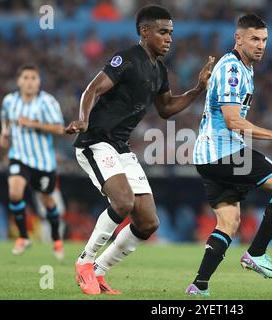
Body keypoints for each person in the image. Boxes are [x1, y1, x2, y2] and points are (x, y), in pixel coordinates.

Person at [65, 5, 214, 295]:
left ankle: (99, 271)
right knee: (122, 201)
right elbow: (92, 90)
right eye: (162, 32)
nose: (169, 38)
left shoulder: (159, 70)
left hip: (120, 147)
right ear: (144, 32)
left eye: (171, 33)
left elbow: (167, 108)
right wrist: (83, 120)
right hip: (95, 142)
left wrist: (197, 89)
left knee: (148, 222)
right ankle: (85, 262)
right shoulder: (128, 60)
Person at [186, 14, 272, 296]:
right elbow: (233, 121)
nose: (261, 45)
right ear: (238, 38)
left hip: (209, 156)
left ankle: (199, 285)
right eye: (254, 39)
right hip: (223, 153)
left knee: (228, 223)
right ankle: (257, 253)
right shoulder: (233, 70)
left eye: (264, 40)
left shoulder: (244, 68)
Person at [0, 64, 65, 260]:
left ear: (39, 82)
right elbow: (6, 123)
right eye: (25, 78)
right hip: (18, 156)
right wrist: (3, 135)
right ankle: (23, 237)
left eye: (33, 78)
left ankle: (56, 238)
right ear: (18, 81)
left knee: (47, 200)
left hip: (43, 162)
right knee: (15, 192)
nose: (29, 82)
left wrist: (32, 123)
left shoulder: (47, 102)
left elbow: (59, 128)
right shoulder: (9, 101)